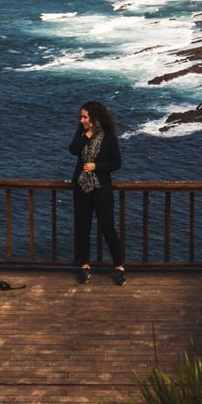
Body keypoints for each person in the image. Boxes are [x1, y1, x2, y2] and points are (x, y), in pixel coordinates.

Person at [69, 100, 127, 284]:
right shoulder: (82, 134)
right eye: (81, 116)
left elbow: (116, 163)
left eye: (85, 117)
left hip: (101, 189)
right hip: (81, 189)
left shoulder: (109, 138)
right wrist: (87, 134)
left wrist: (96, 166)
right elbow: (72, 149)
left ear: (93, 118)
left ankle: (119, 266)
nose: (81, 120)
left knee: (108, 229)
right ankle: (85, 265)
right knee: (83, 228)